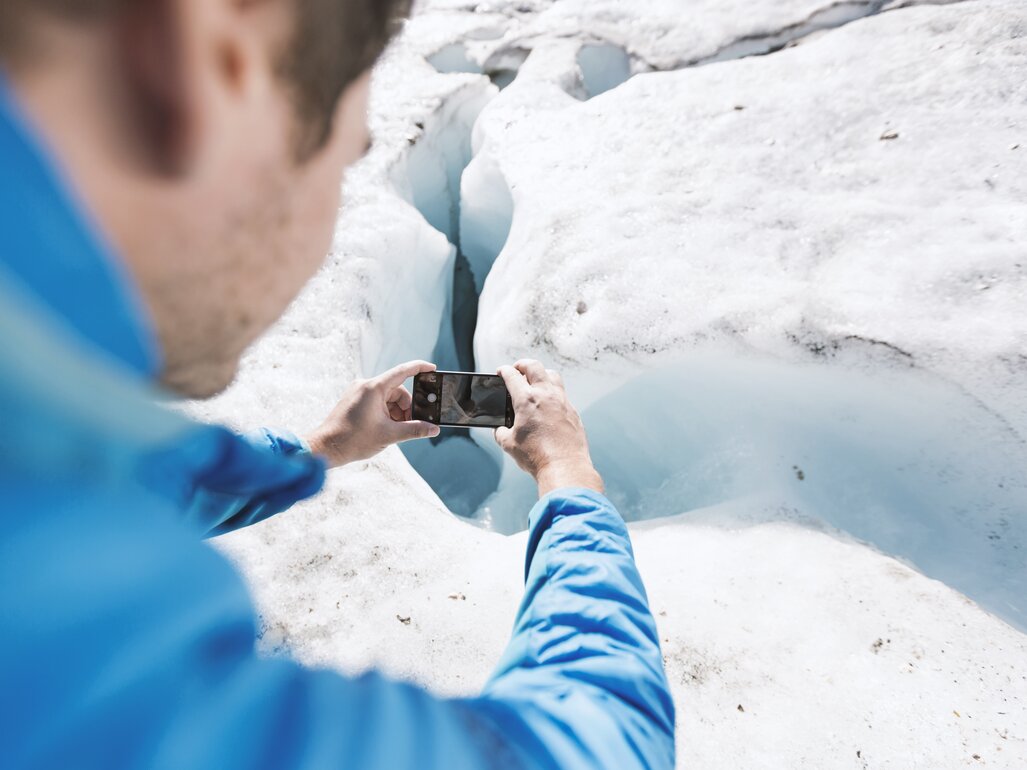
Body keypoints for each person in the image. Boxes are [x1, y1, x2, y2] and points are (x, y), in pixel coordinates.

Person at [0, 1, 676, 768]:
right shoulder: (101, 684)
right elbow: (585, 748)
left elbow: (101, 491)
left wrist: (317, 450)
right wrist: (568, 477)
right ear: (212, 76)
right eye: (342, 157)